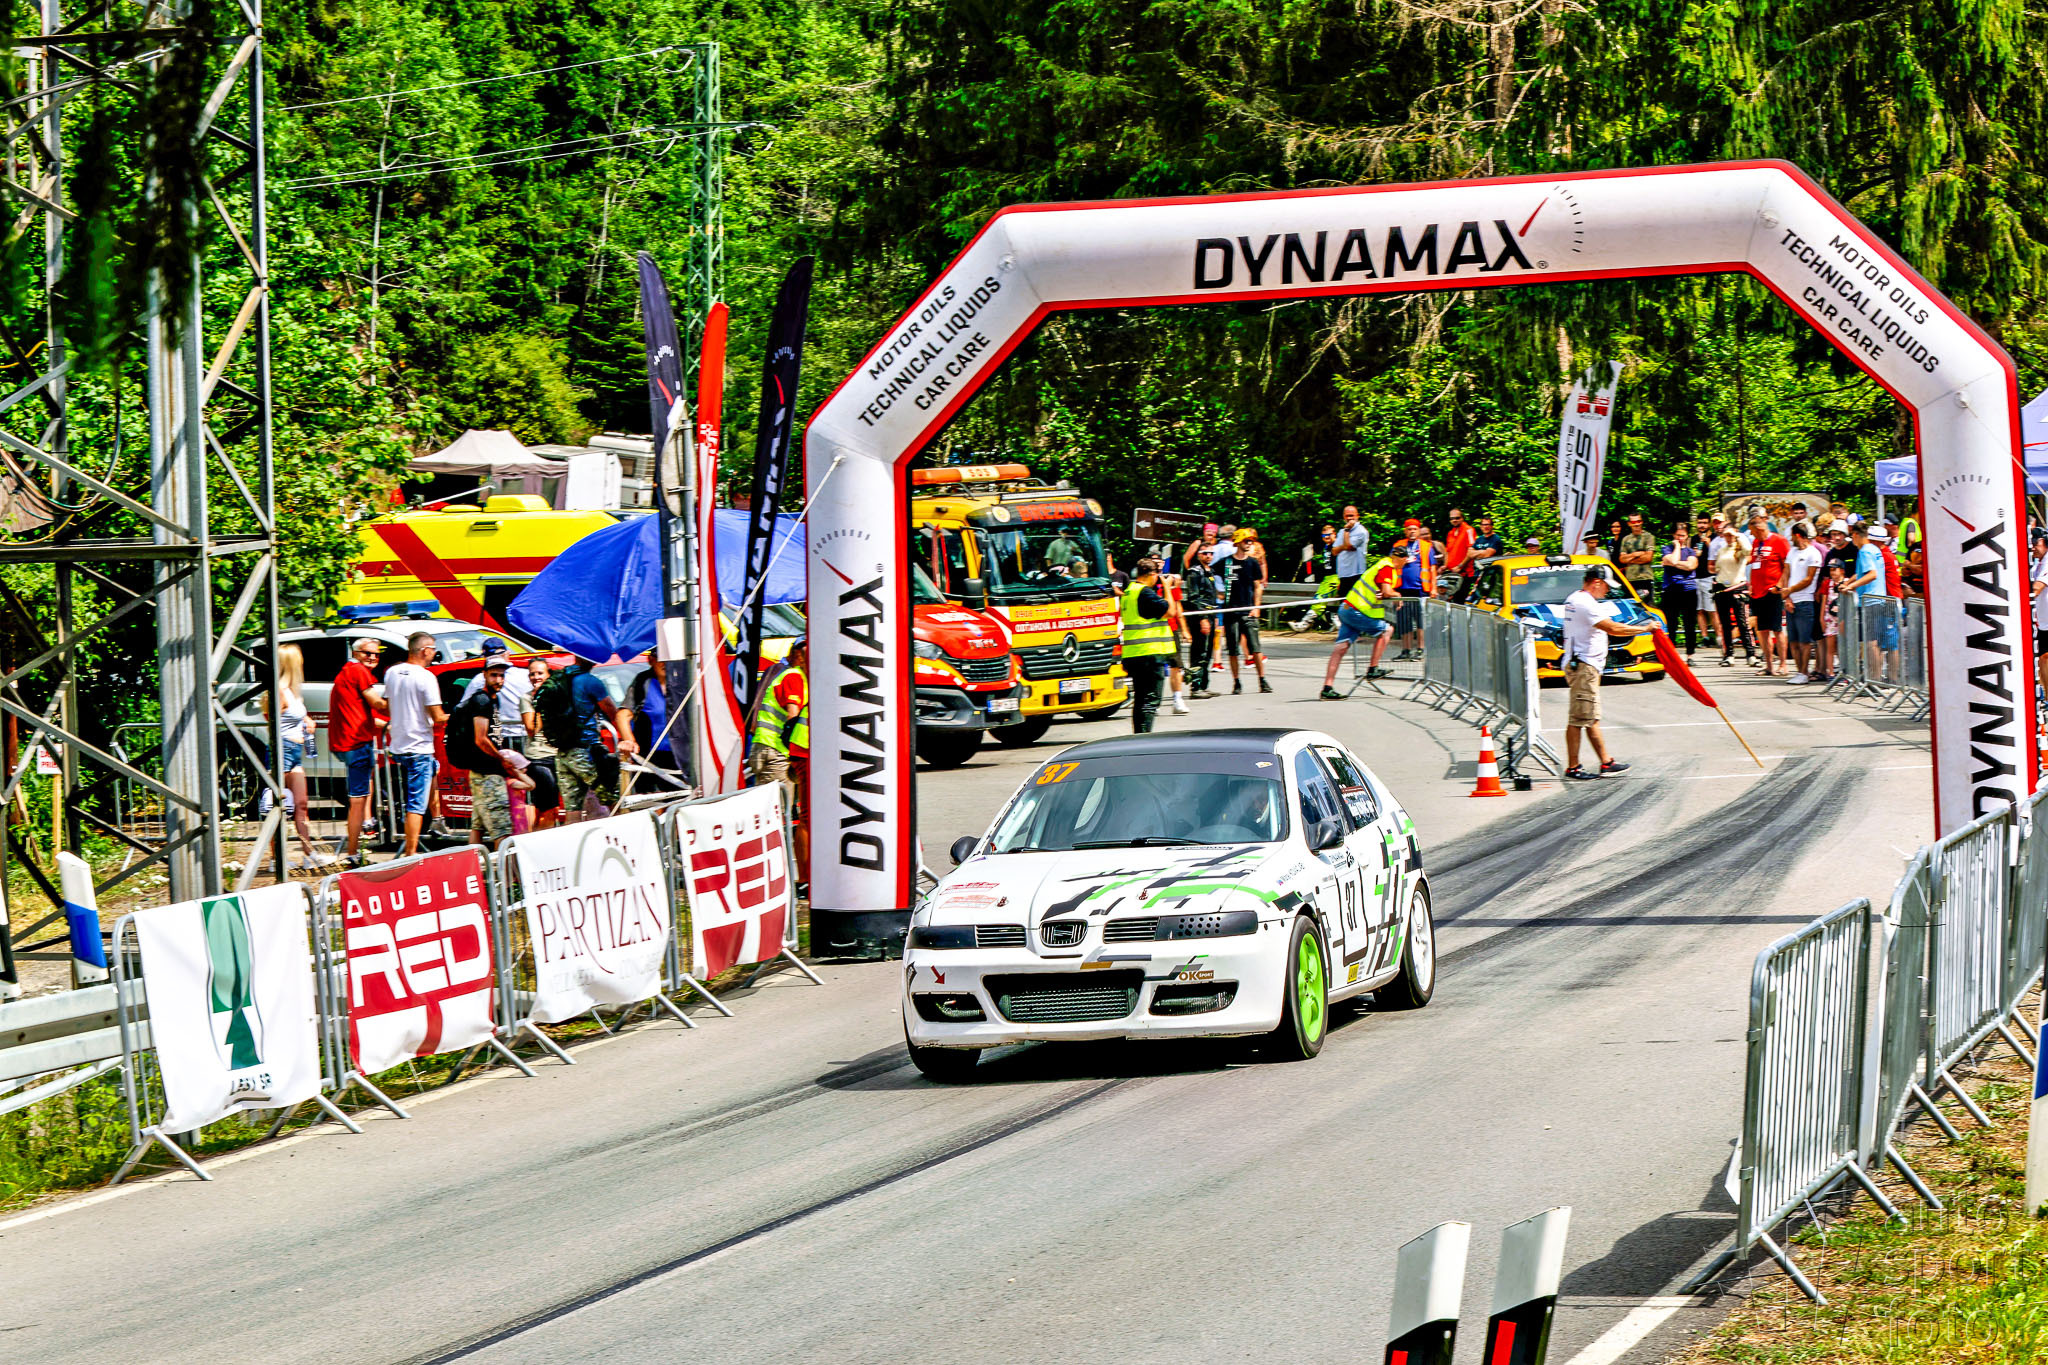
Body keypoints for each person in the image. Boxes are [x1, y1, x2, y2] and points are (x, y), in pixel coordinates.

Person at [1560, 568, 1657, 780]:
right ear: (1596, 582)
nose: (1607, 591)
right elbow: (1612, 628)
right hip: (1584, 666)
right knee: (1581, 718)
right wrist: (1645, 628)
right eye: (1606, 586)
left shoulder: (1575, 598)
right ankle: (1580, 766)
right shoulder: (1585, 603)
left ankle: (1604, 762)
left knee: (1587, 717)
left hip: (1583, 664)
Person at [533, 653, 633, 822]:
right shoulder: (590, 681)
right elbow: (612, 711)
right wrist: (626, 738)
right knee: (613, 799)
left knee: (573, 810)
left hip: (562, 753)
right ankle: (622, 836)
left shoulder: (559, 678)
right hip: (586, 752)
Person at [267, 643, 337, 870]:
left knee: (301, 804)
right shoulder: (279, 690)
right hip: (283, 750)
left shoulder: (291, 691)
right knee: (280, 806)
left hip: (294, 751)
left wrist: (306, 721)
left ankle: (309, 854)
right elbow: (271, 718)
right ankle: (276, 858)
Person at [448, 658, 530, 851]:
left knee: (478, 825)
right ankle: (504, 868)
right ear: (484, 675)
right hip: (488, 774)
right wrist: (503, 759)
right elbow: (481, 739)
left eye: (502, 676)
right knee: (501, 829)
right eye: (494, 675)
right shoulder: (482, 700)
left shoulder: (492, 699)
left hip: (480, 772)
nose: (498, 680)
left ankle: (474, 863)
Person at [384, 632, 447, 857]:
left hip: (399, 744)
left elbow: (388, 705)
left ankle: (437, 820)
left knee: (432, 773)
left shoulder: (392, 673)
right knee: (416, 804)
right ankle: (410, 853)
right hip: (419, 745)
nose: (434, 654)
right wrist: (459, 716)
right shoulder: (426, 677)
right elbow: (438, 716)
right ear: (424, 651)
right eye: (433, 650)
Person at [749, 639, 810, 873]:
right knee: (775, 815)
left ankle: (771, 867)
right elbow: (792, 715)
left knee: (779, 813)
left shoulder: (794, 676)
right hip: (776, 751)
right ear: (798, 656)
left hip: (773, 748)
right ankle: (768, 870)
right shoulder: (794, 677)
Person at [328, 636, 387, 866]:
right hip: (356, 744)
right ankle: (353, 852)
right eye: (367, 653)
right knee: (357, 801)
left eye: (376, 654)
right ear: (355, 653)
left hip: (348, 742)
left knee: (361, 795)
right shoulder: (359, 671)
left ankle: (363, 833)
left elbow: (359, 712)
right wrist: (405, 704)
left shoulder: (346, 672)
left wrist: (387, 724)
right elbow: (377, 703)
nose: (372, 657)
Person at [1321, 552, 1399, 697]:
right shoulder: (1387, 567)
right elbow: (1387, 591)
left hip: (1347, 608)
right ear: (1401, 558)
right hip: (1356, 611)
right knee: (1387, 630)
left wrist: (1383, 594)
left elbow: (1381, 591)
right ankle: (1373, 669)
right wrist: (1397, 595)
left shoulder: (1377, 567)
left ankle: (1327, 687)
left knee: (1340, 649)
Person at [1119, 558, 1175, 731]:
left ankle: (1139, 735)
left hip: (1134, 654)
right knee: (1150, 700)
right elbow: (1170, 611)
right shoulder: (1145, 593)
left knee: (1141, 700)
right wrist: (1167, 586)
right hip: (1149, 654)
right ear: (1152, 574)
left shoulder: (1129, 591)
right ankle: (1144, 737)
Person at [619, 658, 690, 787]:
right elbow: (623, 715)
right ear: (651, 660)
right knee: (648, 795)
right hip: (649, 756)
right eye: (659, 658)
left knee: (681, 795)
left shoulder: (684, 680)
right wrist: (629, 741)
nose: (664, 663)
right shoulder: (644, 681)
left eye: (668, 658)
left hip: (680, 755)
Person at [1218, 531, 1271, 693]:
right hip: (1231, 611)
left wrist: (1256, 607)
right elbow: (1209, 574)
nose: (1249, 544)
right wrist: (1217, 594)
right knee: (1233, 650)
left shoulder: (1252, 563)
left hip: (1248, 611)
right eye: (1246, 541)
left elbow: (1257, 586)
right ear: (1238, 542)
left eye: (1251, 541)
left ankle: (1262, 680)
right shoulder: (1226, 562)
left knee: (1256, 648)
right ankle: (1236, 682)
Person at [1844, 521, 1898, 682]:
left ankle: (1873, 679)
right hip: (1879, 599)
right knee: (1876, 642)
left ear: (1855, 535)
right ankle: (1876, 678)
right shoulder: (1874, 549)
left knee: (1871, 642)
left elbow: (1872, 574)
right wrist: (1848, 582)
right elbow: (1863, 573)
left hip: (1870, 601)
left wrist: (1851, 586)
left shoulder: (1865, 551)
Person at [519, 657, 563, 830]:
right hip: (539, 758)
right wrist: (540, 702)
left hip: (559, 755)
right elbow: (531, 729)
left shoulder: (558, 695)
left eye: (540, 673)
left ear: (548, 675)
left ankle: (534, 840)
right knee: (549, 809)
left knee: (548, 810)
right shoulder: (527, 698)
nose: (536, 677)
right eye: (532, 674)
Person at [1746, 512, 1790, 676]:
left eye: (1752, 531)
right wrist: (1751, 584)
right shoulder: (1756, 543)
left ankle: (1783, 664)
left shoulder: (1779, 540)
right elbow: (1754, 564)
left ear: (1759, 528)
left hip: (1773, 591)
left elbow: (1787, 566)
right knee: (1762, 630)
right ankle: (1769, 665)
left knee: (1777, 629)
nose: (1751, 534)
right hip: (1757, 592)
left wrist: (1780, 586)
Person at [1782, 522, 1824, 683]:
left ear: (1798, 535)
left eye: (1792, 535)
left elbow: (1809, 579)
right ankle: (1799, 672)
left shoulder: (1813, 553)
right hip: (1791, 601)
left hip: (1806, 601)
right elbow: (1786, 573)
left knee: (1804, 641)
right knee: (1793, 641)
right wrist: (1787, 597)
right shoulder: (1792, 552)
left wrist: (1790, 590)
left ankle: (1804, 673)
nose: (1791, 539)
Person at [1659, 524, 1701, 659]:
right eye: (1678, 535)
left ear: (1687, 536)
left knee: (1689, 623)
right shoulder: (1666, 548)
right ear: (1673, 535)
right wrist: (1677, 547)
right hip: (1671, 589)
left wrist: (1674, 563)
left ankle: (1690, 654)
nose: (1680, 538)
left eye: (1683, 535)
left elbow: (1690, 566)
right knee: (1671, 623)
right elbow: (1673, 559)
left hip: (1689, 590)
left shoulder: (1690, 551)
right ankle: (1672, 655)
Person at [1711, 531, 1753, 666]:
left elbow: (1748, 549)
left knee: (1742, 622)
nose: (1728, 538)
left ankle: (1751, 654)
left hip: (1737, 588)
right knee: (1725, 624)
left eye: (1731, 536)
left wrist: (1738, 535)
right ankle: (1728, 654)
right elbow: (1716, 568)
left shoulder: (1740, 550)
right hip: (1722, 589)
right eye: (1726, 535)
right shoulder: (1721, 550)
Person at [1181, 551, 1219, 698]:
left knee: (1208, 652)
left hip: (1211, 613)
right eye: (1205, 553)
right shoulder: (1194, 572)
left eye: (1211, 553)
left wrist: (1214, 616)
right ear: (1198, 555)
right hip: (1200, 616)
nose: (1208, 556)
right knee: (1199, 652)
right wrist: (1203, 617)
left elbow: (1211, 597)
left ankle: (1204, 685)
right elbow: (1194, 597)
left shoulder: (1211, 571)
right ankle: (1195, 687)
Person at [1617, 513, 1659, 600]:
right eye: (1633, 522)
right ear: (1629, 524)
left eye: (1639, 521)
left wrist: (1629, 560)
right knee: (1631, 605)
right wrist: (1635, 554)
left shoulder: (1649, 537)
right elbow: (1622, 559)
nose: (1636, 524)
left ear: (1642, 522)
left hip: (1645, 578)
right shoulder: (1626, 539)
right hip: (1630, 580)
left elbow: (1648, 558)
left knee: (1647, 606)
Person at [1332, 506, 1369, 600]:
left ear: (1357, 516)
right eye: (1347, 516)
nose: (1349, 518)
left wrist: (1347, 531)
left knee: (1354, 603)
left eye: (1352, 515)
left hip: (1356, 573)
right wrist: (1343, 546)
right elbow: (1334, 551)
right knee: (1343, 604)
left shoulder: (1361, 531)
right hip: (1343, 574)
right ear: (1343, 516)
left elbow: (1349, 546)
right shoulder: (1341, 531)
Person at [1443, 507, 1475, 586]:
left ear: (1462, 518)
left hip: (1464, 573)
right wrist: (1444, 566)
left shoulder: (1469, 530)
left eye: (1457, 518)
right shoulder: (1450, 533)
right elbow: (1447, 552)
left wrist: (1460, 566)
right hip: (1451, 573)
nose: (1454, 520)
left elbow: (1471, 551)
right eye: (1452, 518)